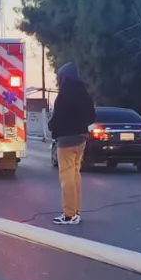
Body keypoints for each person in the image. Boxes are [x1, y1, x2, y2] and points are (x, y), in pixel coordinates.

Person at [48, 61, 95, 225]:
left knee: (66, 175)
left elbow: (57, 119)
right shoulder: (84, 94)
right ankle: (75, 212)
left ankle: (68, 215)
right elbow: (92, 116)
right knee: (75, 174)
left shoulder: (64, 95)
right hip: (81, 138)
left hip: (66, 140)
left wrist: (52, 126)